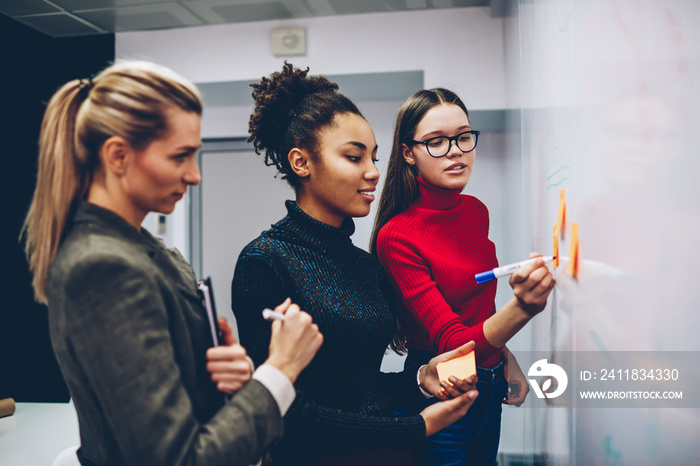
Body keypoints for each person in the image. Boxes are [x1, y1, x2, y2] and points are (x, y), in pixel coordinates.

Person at [21, 60, 323, 466]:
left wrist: (230, 380)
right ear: (118, 156)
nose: (195, 175)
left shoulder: (155, 253)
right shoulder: (103, 268)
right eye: (180, 156)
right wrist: (280, 371)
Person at [230, 63, 479, 466]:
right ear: (301, 162)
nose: (373, 172)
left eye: (375, 157)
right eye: (353, 156)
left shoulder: (364, 265)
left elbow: (360, 388)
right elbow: (283, 410)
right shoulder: (266, 260)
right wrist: (418, 427)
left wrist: (419, 381)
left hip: (389, 453)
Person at [370, 88, 555, 466]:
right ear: (408, 153)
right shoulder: (397, 236)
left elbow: (475, 308)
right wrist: (522, 308)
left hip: (489, 383)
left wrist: (503, 358)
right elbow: (453, 342)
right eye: (436, 142)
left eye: (463, 136)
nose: (455, 150)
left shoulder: (475, 211)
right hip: (442, 389)